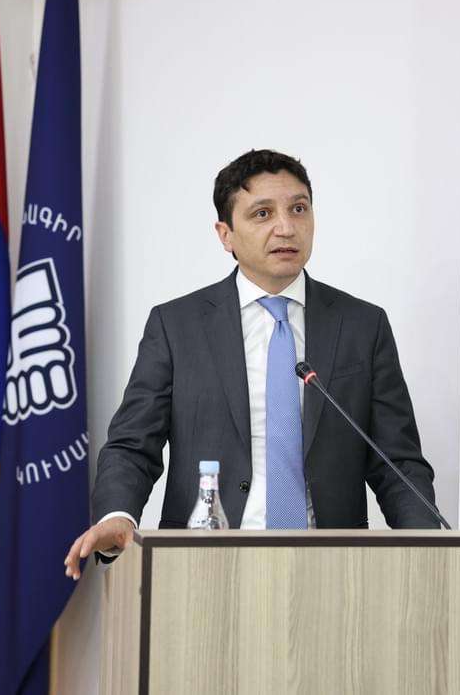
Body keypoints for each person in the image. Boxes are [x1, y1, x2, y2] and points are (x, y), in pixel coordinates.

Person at [64, 149, 438, 579]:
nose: (286, 227)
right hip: (204, 565)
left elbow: (396, 460)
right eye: (263, 213)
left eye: (298, 209)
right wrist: (118, 514)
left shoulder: (361, 325)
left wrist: (430, 544)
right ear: (225, 234)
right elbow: (133, 444)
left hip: (333, 569)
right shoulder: (177, 326)